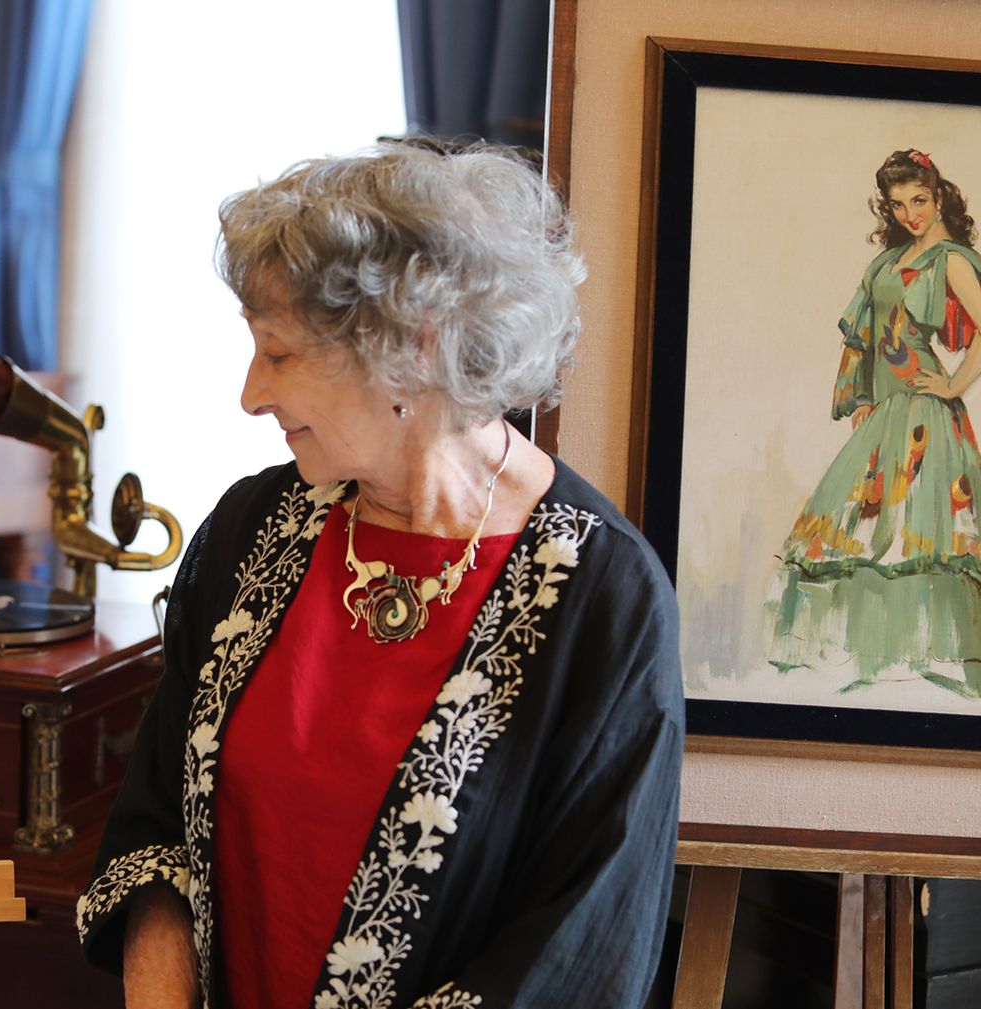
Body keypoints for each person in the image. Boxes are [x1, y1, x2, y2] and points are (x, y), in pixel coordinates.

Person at [77, 144, 683, 1008]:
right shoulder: (253, 530)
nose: (250, 393)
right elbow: (157, 826)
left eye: (279, 355)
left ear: (414, 346)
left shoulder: (606, 601)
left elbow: (580, 957)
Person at [770, 149, 981, 698]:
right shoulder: (885, 262)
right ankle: (871, 667)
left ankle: (932, 667)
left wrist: (952, 385)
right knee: (862, 530)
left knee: (922, 533)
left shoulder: (950, 260)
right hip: (882, 412)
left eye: (919, 201)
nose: (910, 214)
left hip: (925, 413)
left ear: (939, 195)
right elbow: (865, 336)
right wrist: (859, 400)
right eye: (898, 205)